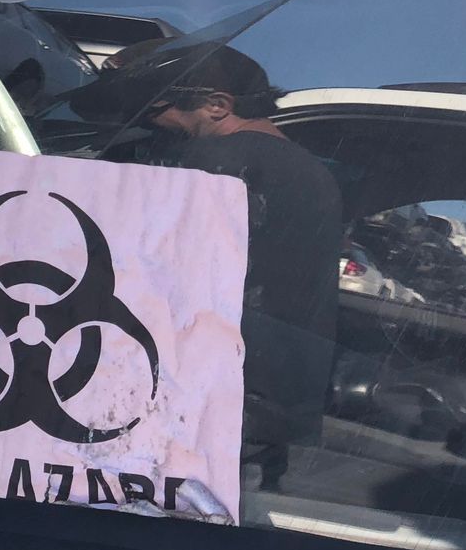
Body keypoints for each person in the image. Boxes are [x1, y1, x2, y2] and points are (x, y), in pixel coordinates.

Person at [117, 44, 343, 490]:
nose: (150, 122)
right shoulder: (313, 171)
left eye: (157, 109)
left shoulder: (215, 163)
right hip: (276, 387)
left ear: (218, 105)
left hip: (212, 390)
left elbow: (154, 271)